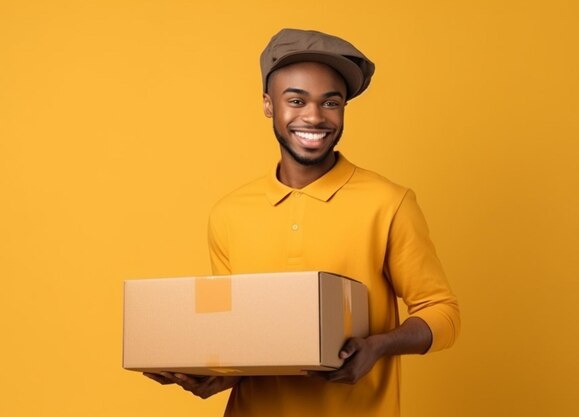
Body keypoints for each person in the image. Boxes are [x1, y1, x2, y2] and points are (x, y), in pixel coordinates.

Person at [144, 28, 460, 417]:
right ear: (268, 105)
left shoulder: (389, 203)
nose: (314, 116)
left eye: (331, 102)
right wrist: (216, 376)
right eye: (296, 100)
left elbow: (442, 313)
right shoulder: (230, 213)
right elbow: (242, 337)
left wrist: (377, 347)